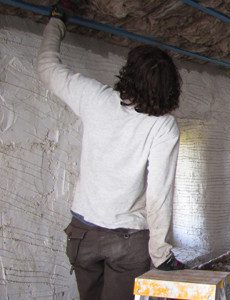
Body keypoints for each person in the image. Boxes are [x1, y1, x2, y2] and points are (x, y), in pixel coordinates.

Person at [37, 15, 184, 300]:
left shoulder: (95, 97)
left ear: (128, 74)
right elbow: (158, 195)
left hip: (83, 236)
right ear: (169, 89)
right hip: (127, 241)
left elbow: (47, 67)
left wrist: (56, 22)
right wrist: (160, 254)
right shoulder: (162, 126)